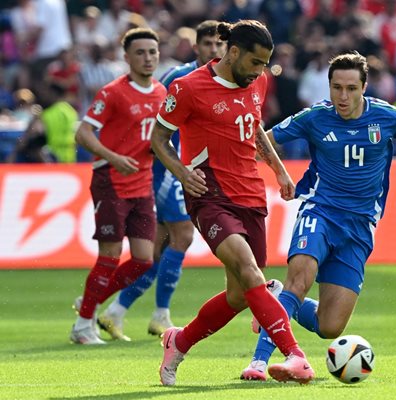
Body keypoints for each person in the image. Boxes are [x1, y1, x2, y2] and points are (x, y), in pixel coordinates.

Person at [240, 51, 396, 381]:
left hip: (360, 225)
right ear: (328, 87)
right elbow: (261, 140)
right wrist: (281, 173)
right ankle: (259, 363)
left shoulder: (388, 118)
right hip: (320, 210)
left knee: (329, 326)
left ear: (364, 87)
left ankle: (276, 300)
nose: (343, 96)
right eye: (336, 87)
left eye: (351, 88)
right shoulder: (314, 117)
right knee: (301, 279)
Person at [150, 19, 314, 385]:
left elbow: (253, 127)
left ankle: (179, 340)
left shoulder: (258, 80)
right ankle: (295, 355)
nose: (260, 72)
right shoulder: (188, 88)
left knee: (240, 295)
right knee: (251, 271)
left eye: (265, 64)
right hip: (209, 194)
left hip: (251, 194)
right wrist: (180, 172)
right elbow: (158, 137)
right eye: (255, 63)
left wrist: (279, 171)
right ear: (233, 52)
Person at [98, 20, 226, 341]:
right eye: (208, 44)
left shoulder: (226, 80)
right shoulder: (179, 77)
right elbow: (155, 124)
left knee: (161, 249)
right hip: (167, 168)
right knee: (182, 236)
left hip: (193, 170)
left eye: (219, 44)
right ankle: (158, 314)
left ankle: (116, 309)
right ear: (196, 47)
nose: (214, 50)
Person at [69, 27, 166, 345]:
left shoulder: (161, 93)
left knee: (143, 259)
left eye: (152, 52)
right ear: (126, 58)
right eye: (140, 52)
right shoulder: (113, 92)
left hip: (143, 183)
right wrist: (114, 156)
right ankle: (83, 326)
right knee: (110, 254)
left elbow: (156, 137)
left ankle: (88, 304)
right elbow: (83, 133)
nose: (148, 58)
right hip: (111, 179)